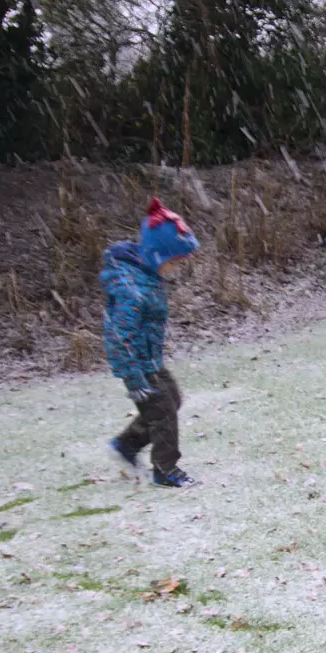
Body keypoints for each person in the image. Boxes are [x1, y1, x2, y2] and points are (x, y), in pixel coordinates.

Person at [102, 197, 201, 488]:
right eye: (174, 262)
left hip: (150, 359)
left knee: (172, 401)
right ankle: (165, 470)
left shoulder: (147, 276)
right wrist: (133, 378)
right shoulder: (132, 289)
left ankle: (126, 445)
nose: (176, 268)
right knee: (163, 412)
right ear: (158, 256)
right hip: (139, 365)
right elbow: (119, 337)